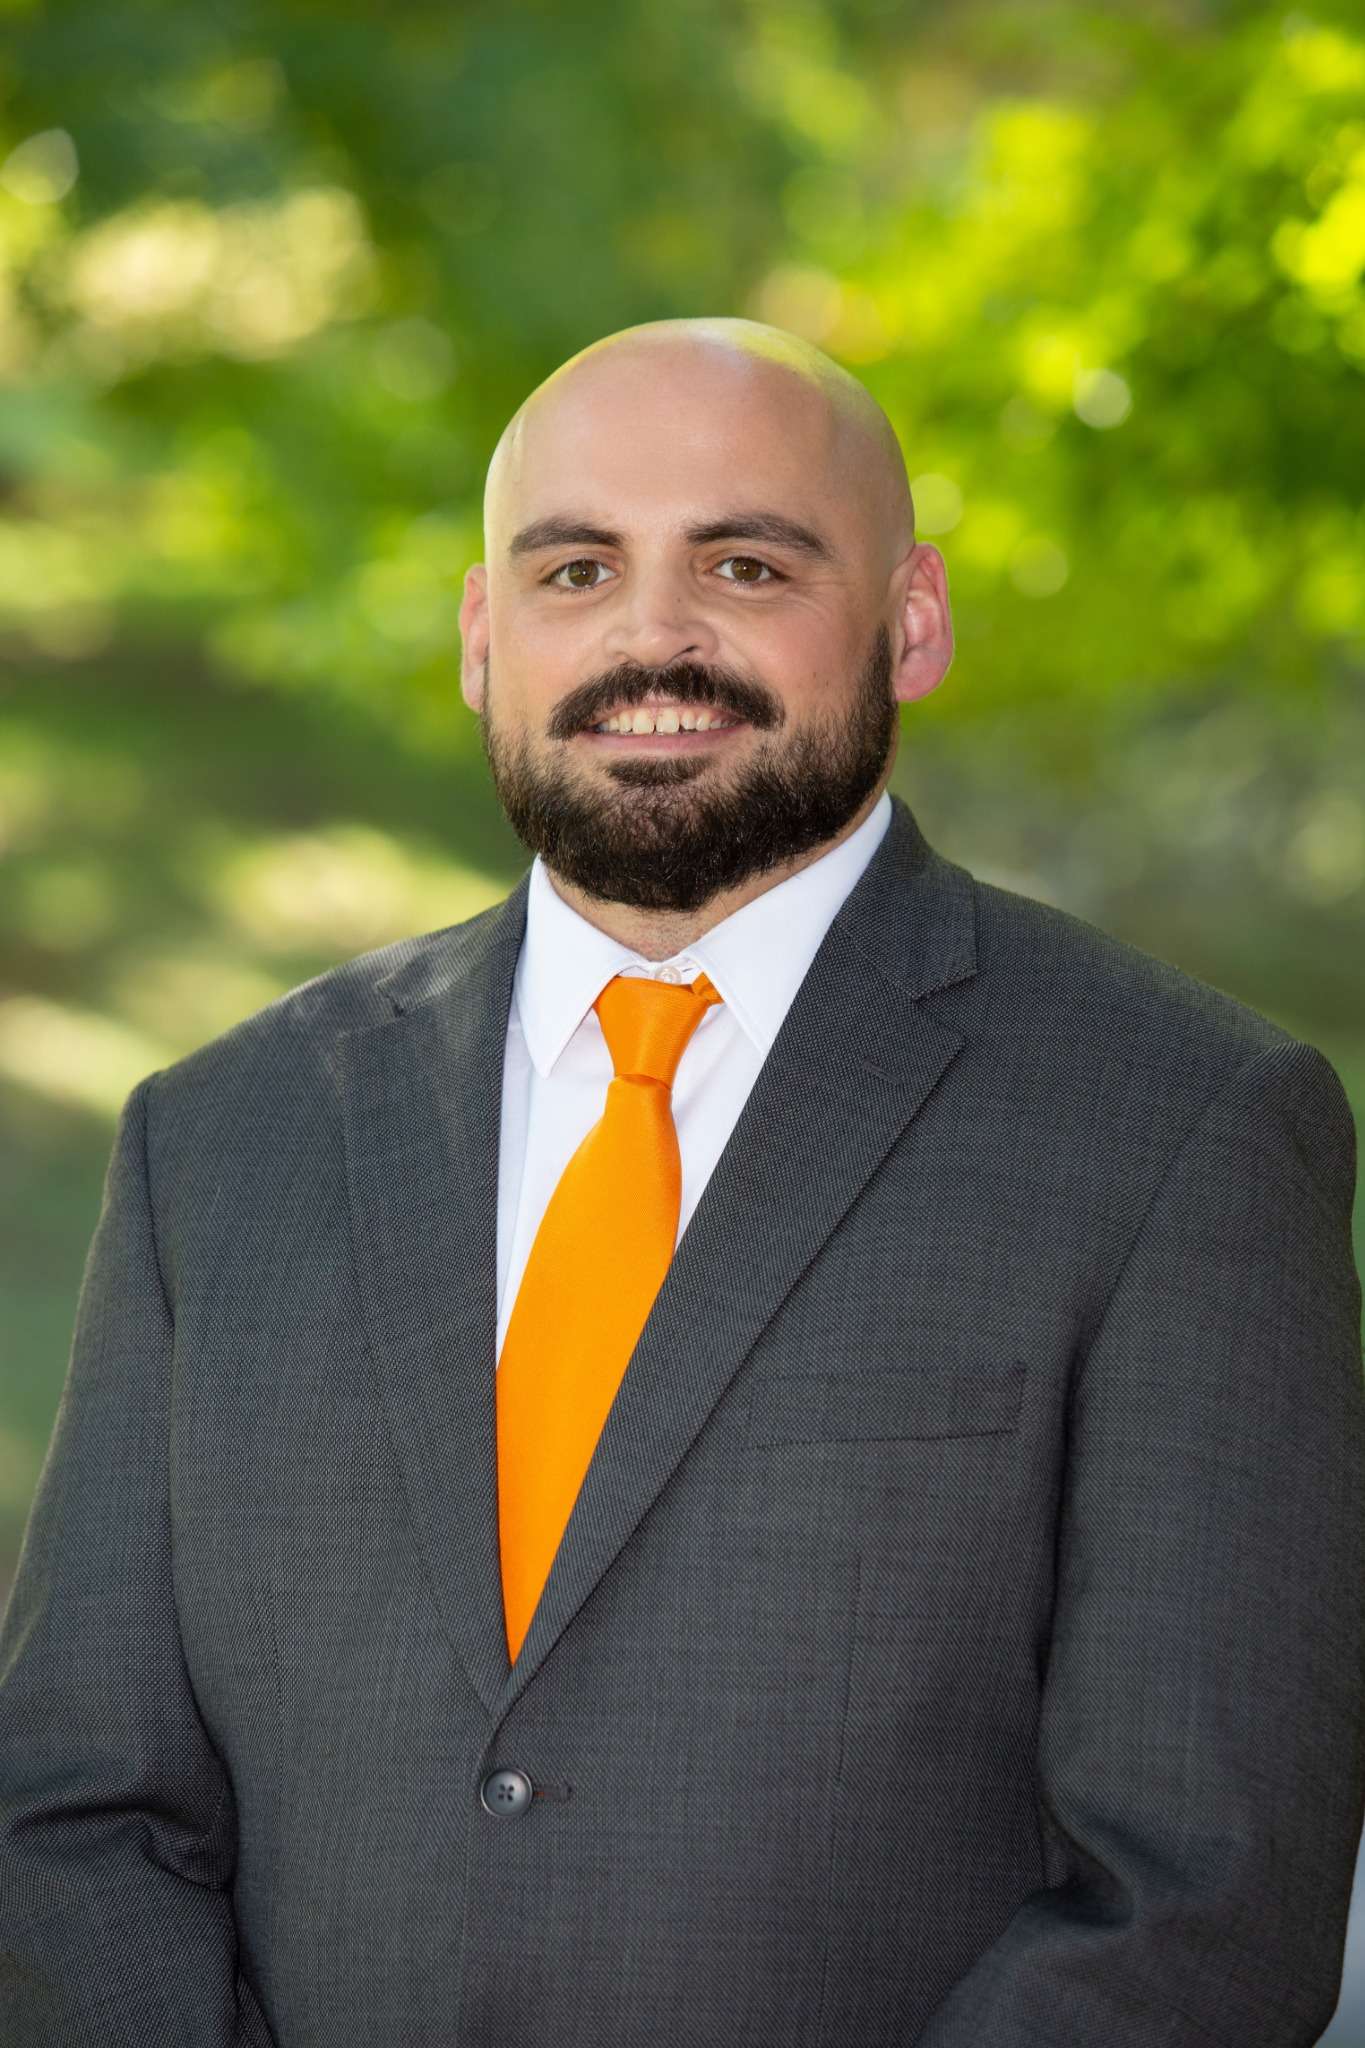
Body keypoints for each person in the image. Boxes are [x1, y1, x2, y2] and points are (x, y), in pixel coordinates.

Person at [1, 315, 1361, 2048]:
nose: (652, 635)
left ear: (911, 617)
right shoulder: (222, 1139)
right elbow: (76, 1813)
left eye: (742, 561)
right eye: (575, 569)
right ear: (485, 640)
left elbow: (1197, 1900)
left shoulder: (1184, 1128)